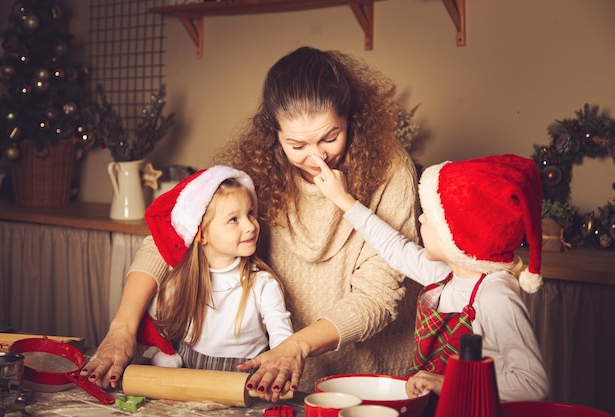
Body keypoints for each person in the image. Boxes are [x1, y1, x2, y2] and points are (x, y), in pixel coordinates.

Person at [82, 46, 421, 400]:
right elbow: (170, 234)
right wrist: (122, 328)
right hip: (272, 376)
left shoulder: (389, 170)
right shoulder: (254, 169)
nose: (317, 157)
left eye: (330, 137)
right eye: (297, 144)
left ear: (352, 118)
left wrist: (296, 346)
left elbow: (379, 294)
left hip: (364, 376)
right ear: (274, 134)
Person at [312, 153, 549, 411]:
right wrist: (342, 199)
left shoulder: (495, 296)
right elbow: (394, 248)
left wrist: (446, 382)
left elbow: (532, 383)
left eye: (430, 217)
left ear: (458, 237)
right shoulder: (447, 274)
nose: (421, 219)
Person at [134, 165, 293, 372]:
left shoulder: (262, 284)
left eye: (251, 213)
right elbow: (146, 332)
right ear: (201, 233)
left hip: (244, 383)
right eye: (233, 219)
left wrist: (282, 364)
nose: (251, 226)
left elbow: (283, 340)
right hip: (188, 385)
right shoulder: (178, 284)